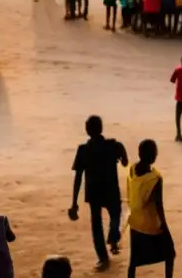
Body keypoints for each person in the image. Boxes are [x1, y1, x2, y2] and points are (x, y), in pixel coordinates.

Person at [69, 115, 128, 272]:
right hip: (111, 190)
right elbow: (125, 161)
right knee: (115, 215)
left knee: (96, 225)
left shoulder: (83, 150)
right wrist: (122, 156)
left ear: (87, 130)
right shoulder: (113, 145)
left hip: (94, 192)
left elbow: (78, 177)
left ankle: (103, 258)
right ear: (101, 128)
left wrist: (74, 202)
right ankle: (113, 237)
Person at [126, 139, 175, 278]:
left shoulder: (132, 169)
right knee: (169, 253)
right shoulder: (155, 178)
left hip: (135, 221)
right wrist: (165, 227)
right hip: (150, 225)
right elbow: (159, 205)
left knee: (134, 260)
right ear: (154, 156)